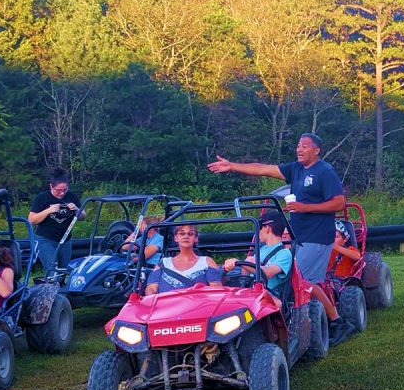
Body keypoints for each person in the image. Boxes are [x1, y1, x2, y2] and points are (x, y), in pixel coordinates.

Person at [207, 132, 355, 344]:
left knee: (304, 282)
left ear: (316, 150)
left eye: (304, 146)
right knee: (301, 282)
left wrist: (305, 208)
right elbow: (263, 169)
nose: (299, 149)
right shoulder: (295, 169)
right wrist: (232, 166)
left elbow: (339, 203)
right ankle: (305, 322)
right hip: (298, 237)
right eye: (298, 145)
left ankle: (337, 322)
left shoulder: (325, 171)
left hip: (317, 237)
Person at [222, 211, 293, 298]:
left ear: (267, 228)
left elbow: (267, 273)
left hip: (270, 297)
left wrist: (240, 262)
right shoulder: (262, 249)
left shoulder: (284, 253)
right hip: (253, 294)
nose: (257, 232)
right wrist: (242, 264)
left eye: (259, 227)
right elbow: (246, 275)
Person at [28, 168, 85, 273]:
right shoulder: (42, 198)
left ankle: (60, 287)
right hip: (46, 240)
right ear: (51, 186)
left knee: (63, 272)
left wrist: (77, 209)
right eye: (59, 190)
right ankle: (51, 286)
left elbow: (82, 216)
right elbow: (31, 220)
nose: (62, 193)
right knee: (52, 272)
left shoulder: (72, 196)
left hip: (65, 240)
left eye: (65, 190)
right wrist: (48, 211)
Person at [144, 224, 222, 295]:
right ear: (176, 237)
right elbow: (151, 289)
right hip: (166, 308)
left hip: (199, 308)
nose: (186, 236)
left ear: (196, 238)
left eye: (190, 234)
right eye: (182, 233)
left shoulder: (207, 262)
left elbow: (216, 291)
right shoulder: (164, 263)